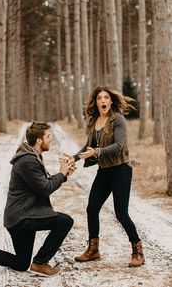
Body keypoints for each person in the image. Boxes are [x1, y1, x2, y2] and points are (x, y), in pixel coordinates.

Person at [0, 122, 75, 277]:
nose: (51, 140)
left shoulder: (32, 157)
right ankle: (40, 263)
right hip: (23, 217)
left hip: (22, 216)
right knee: (65, 221)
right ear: (39, 140)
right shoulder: (27, 161)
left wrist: (63, 175)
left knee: (21, 263)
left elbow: (44, 183)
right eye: (48, 136)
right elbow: (45, 188)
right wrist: (61, 174)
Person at [65, 86, 145, 268]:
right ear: (96, 102)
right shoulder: (94, 121)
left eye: (106, 97)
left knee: (121, 214)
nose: (103, 101)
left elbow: (118, 146)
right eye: (100, 98)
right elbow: (88, 148)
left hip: (121, 170)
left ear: (111, 101)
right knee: (92, 209)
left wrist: (97, 151)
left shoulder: (118, 119)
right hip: (104, 171)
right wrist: (73, 158)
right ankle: (93, 250)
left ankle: (138, 251)